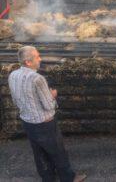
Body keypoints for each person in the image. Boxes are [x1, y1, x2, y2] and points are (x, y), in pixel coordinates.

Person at [8, 46, 86, 182]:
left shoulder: (13, 75)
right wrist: (53, 95)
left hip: (27, 121)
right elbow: (48, 105)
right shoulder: (37, 78)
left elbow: (15, 99)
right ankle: (68, 178)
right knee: (57, 152)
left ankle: (48, 177)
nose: (40, 59)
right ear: (28, 62)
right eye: (37, 56)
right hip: (44, 123)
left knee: (39, 152)